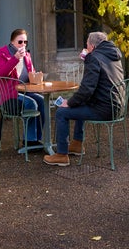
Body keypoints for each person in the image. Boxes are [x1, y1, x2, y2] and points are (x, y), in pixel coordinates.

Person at [44, 32, 124, 167]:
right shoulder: (112, 56)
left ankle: (62, 155)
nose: (85, 46)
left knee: (62, 112)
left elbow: (87, 89)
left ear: (92, 46)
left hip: (104, 109)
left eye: (87, 44)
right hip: (117, 107)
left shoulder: (94, 58)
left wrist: (68, 103)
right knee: (81, 102)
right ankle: (76, 144)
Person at [0, 29, 44, 148]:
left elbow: (31, 71)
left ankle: (37, 138)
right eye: (20, 42)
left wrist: (36, 76)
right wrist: (15, 58)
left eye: (25, 42)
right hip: (9, 93)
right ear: (12, 42)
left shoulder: (26, 55)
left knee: (41, 101)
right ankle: (29, 141)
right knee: (31, 103)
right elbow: (1, 73)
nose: (23, 45)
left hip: (25, 90)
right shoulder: (3, 53)